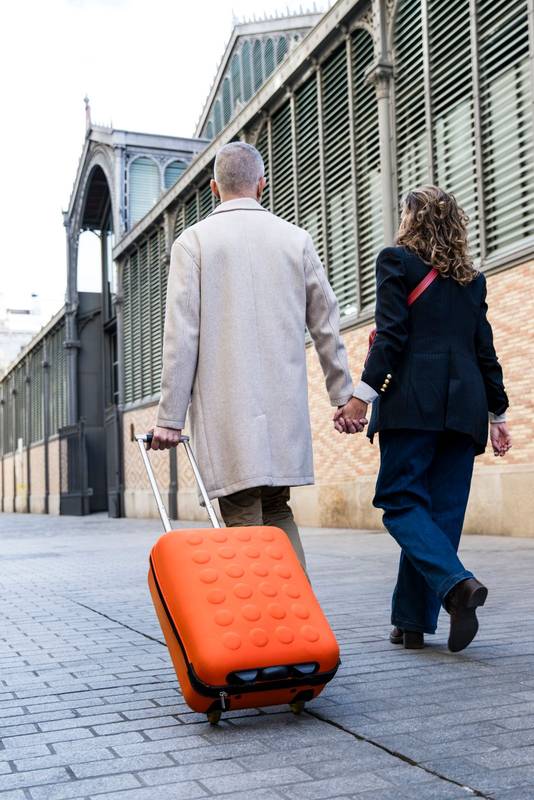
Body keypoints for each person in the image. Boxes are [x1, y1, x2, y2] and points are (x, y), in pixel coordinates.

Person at [149, 141, 362, 568]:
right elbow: (326, 323)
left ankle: (270, 626)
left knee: (242, 516)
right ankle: (297, 618)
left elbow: (181, 337)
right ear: (262, 185)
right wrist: (343, 394)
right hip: (283, 414)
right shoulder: (295, 241)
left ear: (213, 187)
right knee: (278, 510)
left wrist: (170, 418)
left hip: (227, 417)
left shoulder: (193, 244)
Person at [335, 186, 511, 652]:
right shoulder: (472, 280)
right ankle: (412, 622)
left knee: (399, 502)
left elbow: (391, 336)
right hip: (466, 408)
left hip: (414, 403)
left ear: (410, 220)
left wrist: (361, 397)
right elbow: (485, 350)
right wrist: (498, 413)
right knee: (441, 515)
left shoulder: (396, 261)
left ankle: (456, 585)